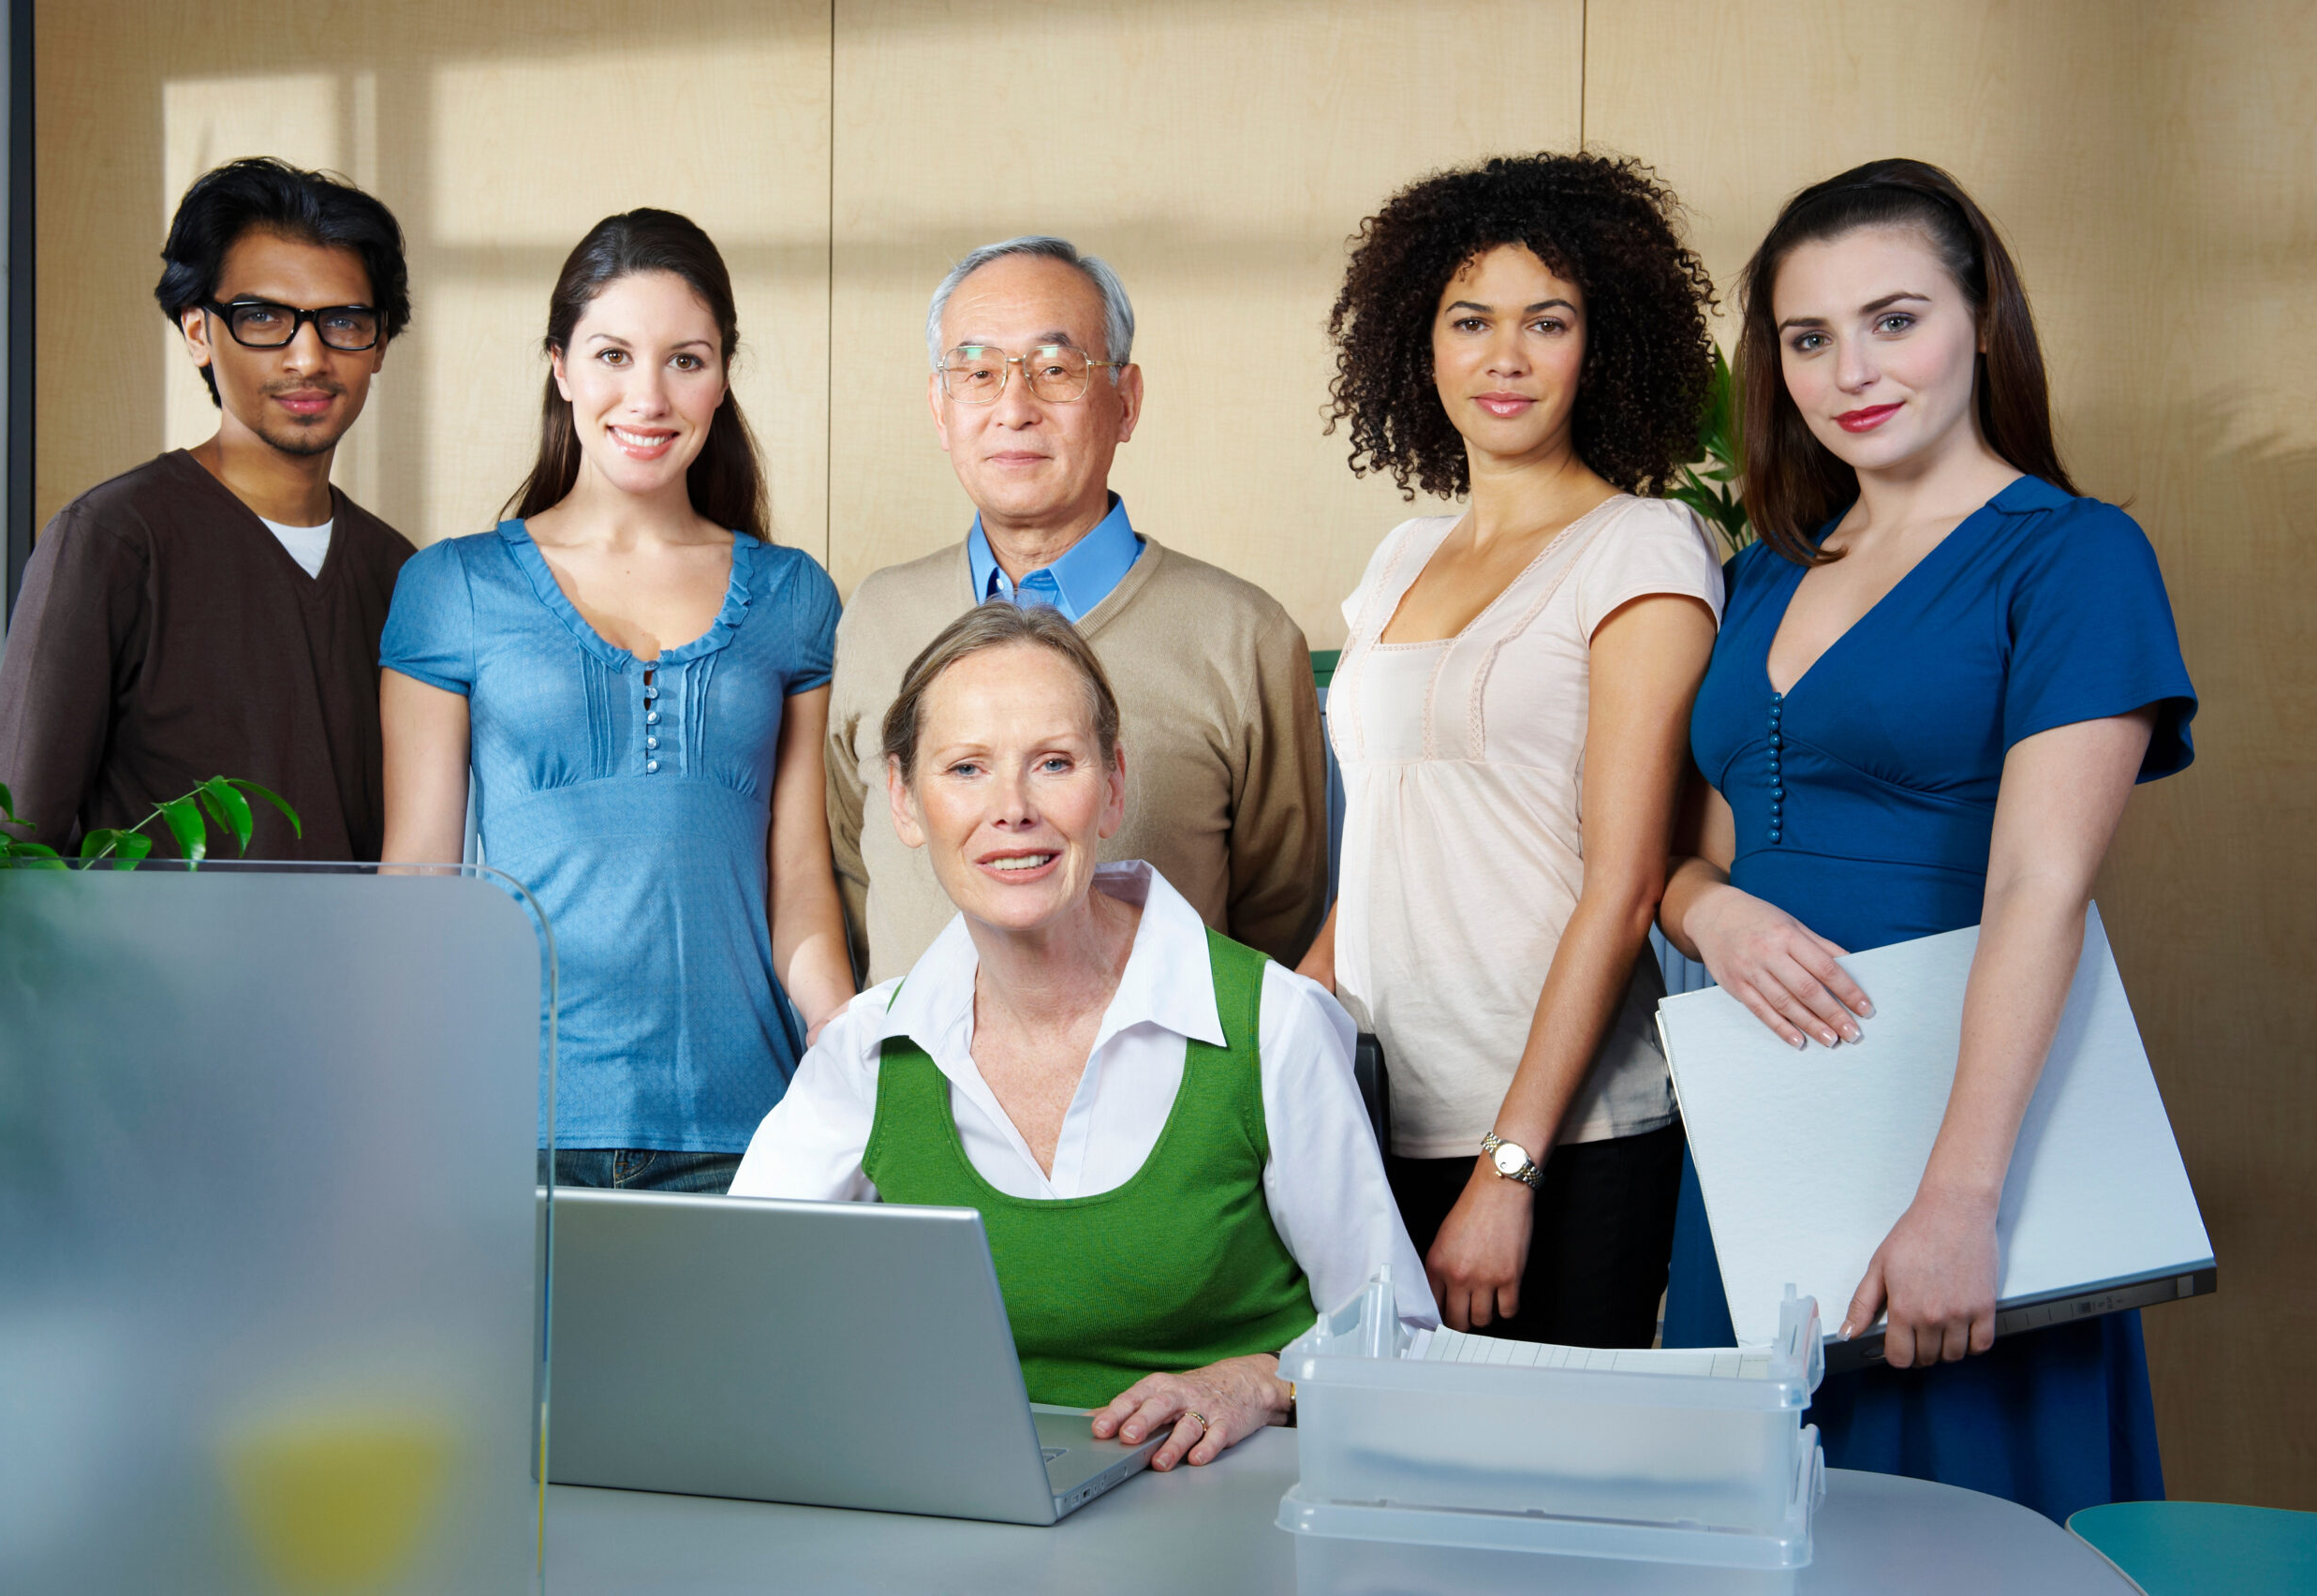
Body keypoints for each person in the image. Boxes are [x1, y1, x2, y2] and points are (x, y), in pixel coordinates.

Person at [1657, 159, 2194, 1520]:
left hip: (1955, 1127)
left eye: (1895, 319)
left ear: (1982, 323)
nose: (1853, 369)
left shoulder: (2073, 557)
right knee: (1754, 1529)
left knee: (1960, 1529)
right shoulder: (1769, 565)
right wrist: (1706, 912)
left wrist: (1961, 1197)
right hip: (1761, 1129)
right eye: (1810, 337)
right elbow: (1698, 857)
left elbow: (2041, 884)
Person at [736, 604, 1433, 1470]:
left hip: (1233, 1514)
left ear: (1115, 785)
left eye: (1054, 764)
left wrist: (1267, 1382)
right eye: (967, 769)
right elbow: (740, 1316)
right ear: (904, 802)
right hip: (977, 1518)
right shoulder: (866, 1052)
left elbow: (1399, 1332)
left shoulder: (1271, 1023)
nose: (1012, 810)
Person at [1302, 154, 1723, 1349]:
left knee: (1541, 1515)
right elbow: (1377, 855)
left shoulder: (1642, 548)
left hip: (1569, 1142)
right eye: (1469, 320)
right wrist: (1286, 1052)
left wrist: (1511, 1165)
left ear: (1604, 344)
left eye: (1548, 322)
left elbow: (1625, 880)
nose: (1505, 357)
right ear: (1417, 344)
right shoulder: (1395, 563)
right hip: (1378, 1113)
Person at [379, 210, 853, 1194]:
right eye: (612, 355)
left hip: (746, 1125)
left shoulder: (793, 596)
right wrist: (402, 1109)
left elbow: (800, 873)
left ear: (723, 377)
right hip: (512, 1126)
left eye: (686, 359)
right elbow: (419, 878)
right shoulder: (451, 588)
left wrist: (844, 1050)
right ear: (559, 366)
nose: (648, 396)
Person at [826, 236, 1327, 986]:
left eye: (1056, 370)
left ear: (1125, 402)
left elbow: (1276, 923)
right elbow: (850, 871)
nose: (1014, 408)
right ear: (940, 407)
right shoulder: (875, 615)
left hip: (1162, 1097)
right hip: (910, 1093)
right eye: (978, 372)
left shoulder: (1243, 636)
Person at [0, 157, 413, 859]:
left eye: (343, 320)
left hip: (353, 970)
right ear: (197, 332)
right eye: (262, 317)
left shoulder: (402, 574)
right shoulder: (113, 540)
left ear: (380, 342)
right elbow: (7, 843)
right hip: (143, 971)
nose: (308, 357)